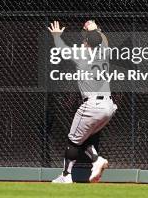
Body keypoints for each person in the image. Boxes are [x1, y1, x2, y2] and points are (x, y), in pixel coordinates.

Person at [48, 19, 117, 184]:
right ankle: (96, 160)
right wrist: (96, 29)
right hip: (109, 106)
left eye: (85, 40)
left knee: (73, 139)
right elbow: (103, 41)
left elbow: (62, 50)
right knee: (83, 138)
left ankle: (66, 176)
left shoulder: (82, 55)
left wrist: (57, 36)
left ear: (86, 43)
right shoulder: (105, 53)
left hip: (92, 105)